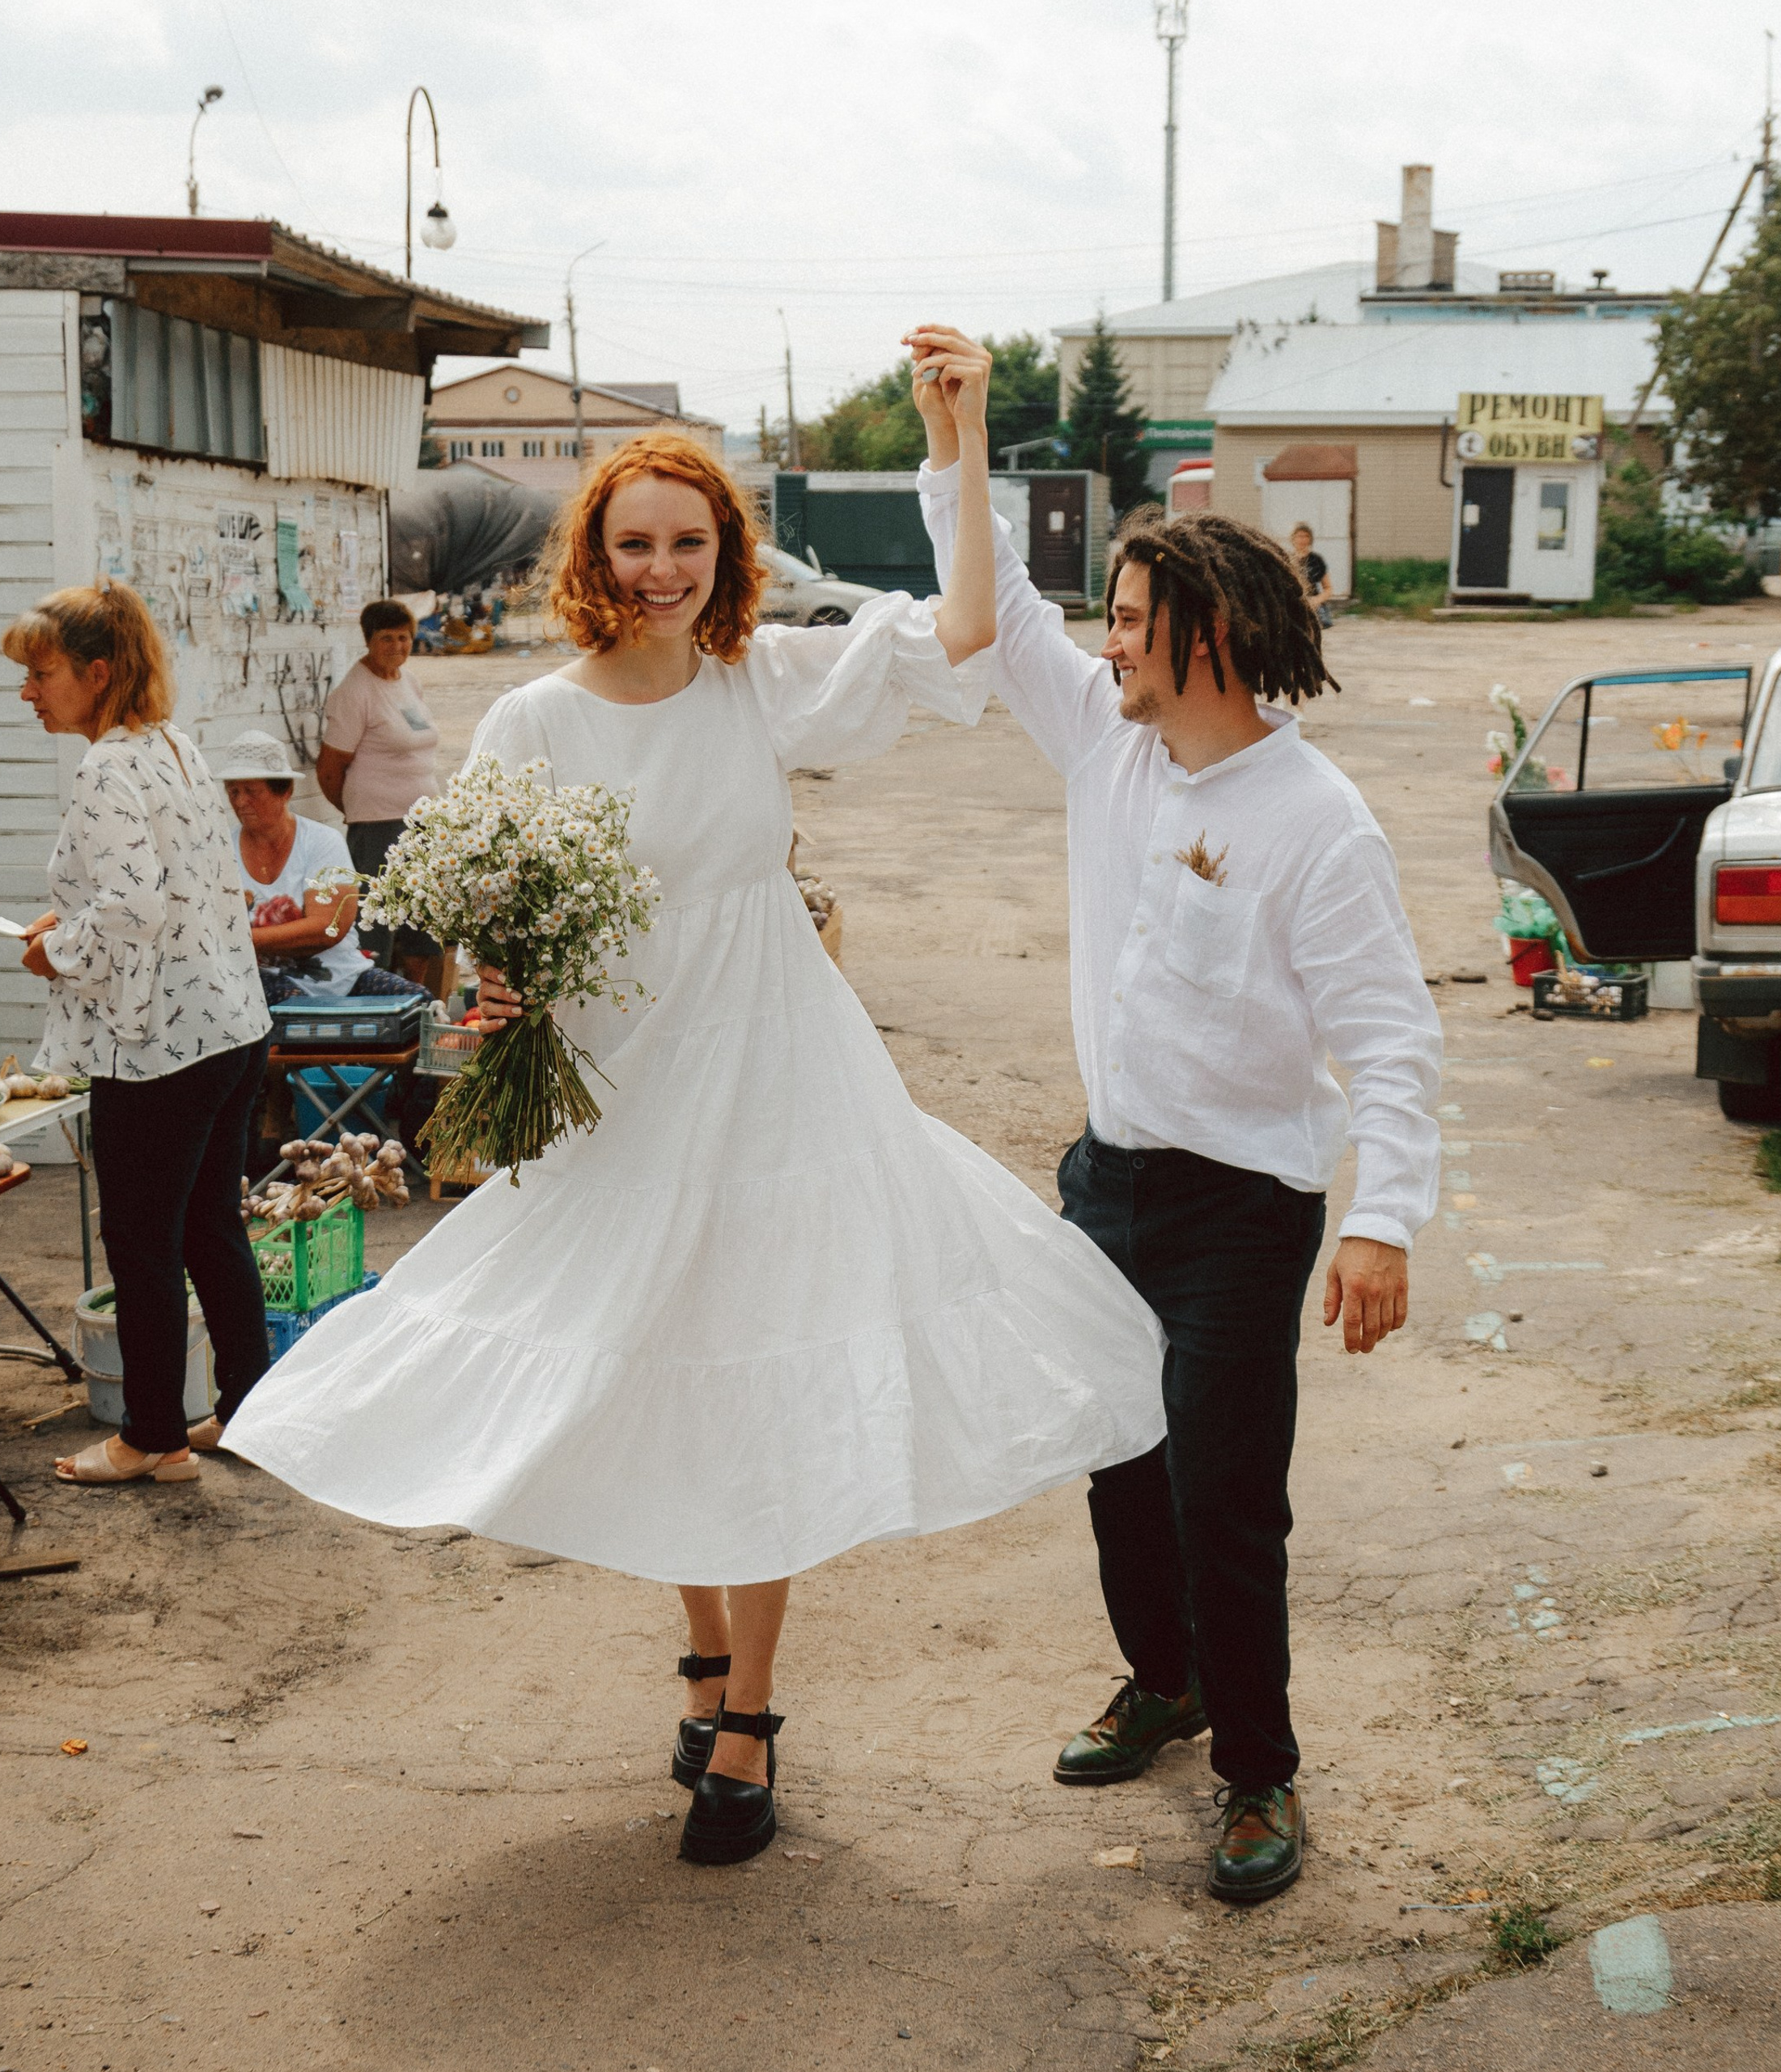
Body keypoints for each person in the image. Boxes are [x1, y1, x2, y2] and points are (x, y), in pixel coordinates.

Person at [227, 376, 1168, 1870]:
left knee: (766, 1371)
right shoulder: (532, 719)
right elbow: (490, 918)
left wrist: (964, 439)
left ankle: (749, 1723)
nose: (661, 569)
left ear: (727, 554)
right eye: (635, 543)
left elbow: (966, 630)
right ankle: (704, 1659)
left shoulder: (759, 684)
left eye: (688, 543)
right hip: (626, 1080)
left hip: (782, 1077)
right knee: (665, 1368)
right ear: (593, 557)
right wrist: (500, 992)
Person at [914, 328, 1441, 1905]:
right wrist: (956, 436)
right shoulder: (1107, 740)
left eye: (1134, 621)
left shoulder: (1316, 825)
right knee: (1115, 1458)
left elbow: (1390, 1041)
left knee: (1221, 1488)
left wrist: (1380, 1220)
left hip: (1239, 1209)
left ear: (1210, 637)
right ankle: (1165, 1679)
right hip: (1109, 1183)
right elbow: (1000, 609)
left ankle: (1258, 1770)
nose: (1109, 641)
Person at [3, 582, 275, 1488]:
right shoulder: (172, 745)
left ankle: (153, 1436)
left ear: (97, 672)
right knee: (211, 1227)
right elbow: (170, 885)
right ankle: (246, 1411)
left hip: (161, 1046)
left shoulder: (105, 769)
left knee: (142, 1241)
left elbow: (133, 909)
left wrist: (53, 953)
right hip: (230, 1022)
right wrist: (71, 919)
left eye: (41, 674)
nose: (28, 691)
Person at [217, 731, 427, 1008]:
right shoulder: (222, 850)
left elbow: (327, 927)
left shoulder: (321, 841)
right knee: (297, 1015)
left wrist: (241, 938)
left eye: (251, 792)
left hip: (343, 976)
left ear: (285, 792)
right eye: (233, 792)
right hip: (267, 981)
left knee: (419, 1003)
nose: (240, 802)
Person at [316, 600, 445, 994]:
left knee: (421, 924)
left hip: (423, 824)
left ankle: (417, 1004)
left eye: (403, 637)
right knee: (377, 927)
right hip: (378, 827)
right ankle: (376, 1005)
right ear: (368, 640)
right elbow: (329, 769)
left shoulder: (409, 682)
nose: (396, 646)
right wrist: (361, 808)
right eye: (386, 638)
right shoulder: (354, 692)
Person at [1291, 524, 1334, 629]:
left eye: (1306, 536)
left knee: (1322, 623)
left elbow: (1328, 589)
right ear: (1293, 539)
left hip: (1313, 602)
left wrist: (1317, 600)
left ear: (1311, 539)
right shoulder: (1287, 559)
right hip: (1293, 601)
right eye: (1299, 536)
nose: (1303, 539)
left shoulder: (1317, 560)